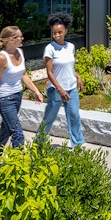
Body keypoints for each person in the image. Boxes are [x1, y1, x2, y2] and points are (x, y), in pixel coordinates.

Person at [0, 25, 43, 151]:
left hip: (17, 96)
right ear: (11, 39)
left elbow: (23, 75)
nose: (22, 38)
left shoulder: (20, 52)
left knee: (5, 131)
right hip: (5, 100)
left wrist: (35, 91)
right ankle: (18, 166)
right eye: (19, 37)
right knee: (18, 134)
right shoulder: (1, 58)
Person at [40, 12, 85, 148]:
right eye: (54, 33)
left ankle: (77, 146)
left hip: (71, 88)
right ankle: (38, 143)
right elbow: (50, 72)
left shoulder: (70, 47)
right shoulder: (50, 49)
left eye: (59, 32)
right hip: (56, 90)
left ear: (65, 30)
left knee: (74, 117)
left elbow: (68, 66)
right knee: (49, 119)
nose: (57, 35)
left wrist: (77, 76)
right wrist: (60, 90)